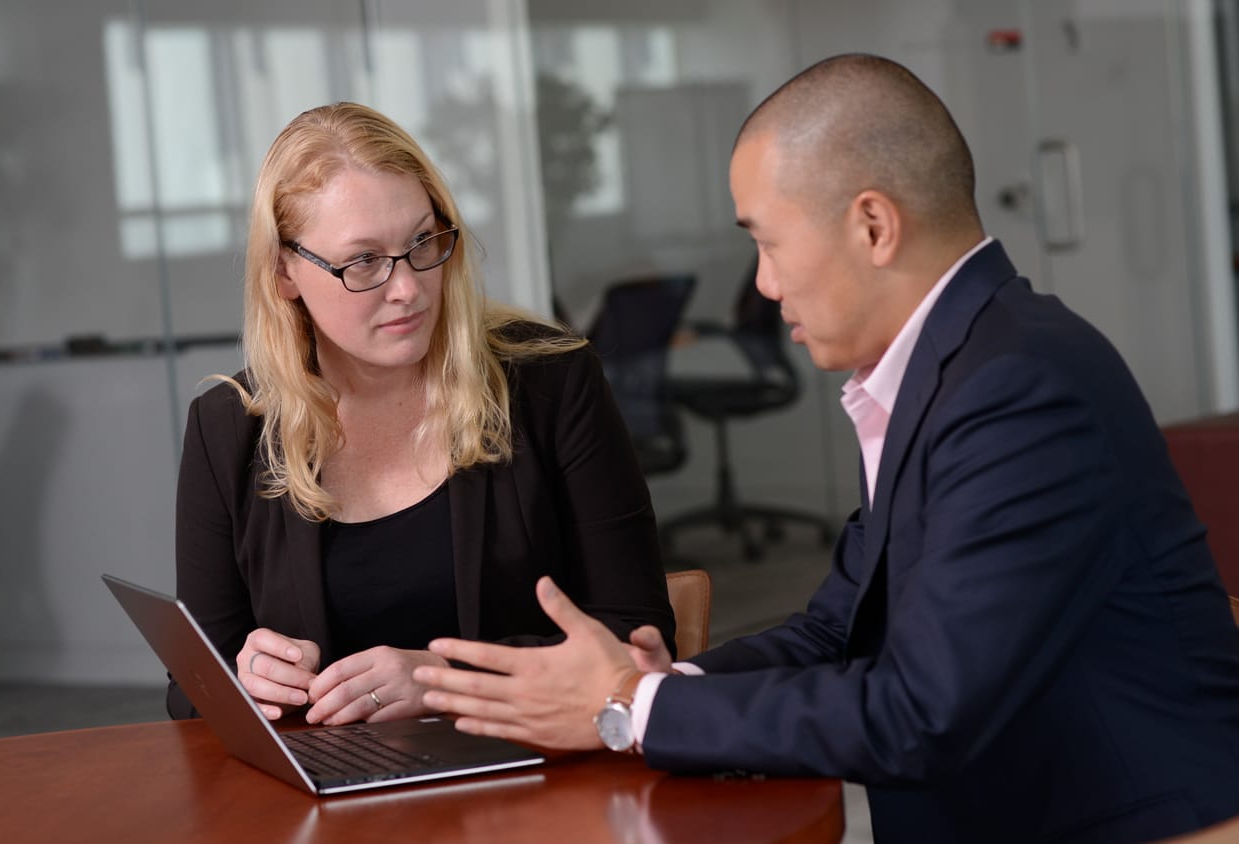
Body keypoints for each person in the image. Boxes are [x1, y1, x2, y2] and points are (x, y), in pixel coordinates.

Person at [413, 54, 1239, 843]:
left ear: (873, 225)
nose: (764, 284)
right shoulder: (952, 371)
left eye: (768, 242)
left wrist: (632, 705)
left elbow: (919, 717)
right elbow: (837, 630)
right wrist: (655, 685)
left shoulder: (1018, 389)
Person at [170, 102, 675, 729]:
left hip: (524, 786)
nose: (407, 287)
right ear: (284, 272)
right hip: (328, 809)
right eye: (363, 262)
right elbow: (187, 692)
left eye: (421, 243)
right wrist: (243, 678)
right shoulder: (228, 428)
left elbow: (638, 638)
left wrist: (445, 684)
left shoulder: (550, 382)